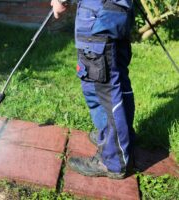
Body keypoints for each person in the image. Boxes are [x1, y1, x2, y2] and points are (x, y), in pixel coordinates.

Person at [51, 0, 135, 179]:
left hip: (99, 17)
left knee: (102, 89)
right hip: (117, 12)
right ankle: (122, 139)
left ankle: (113, 160)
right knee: (118, 81)